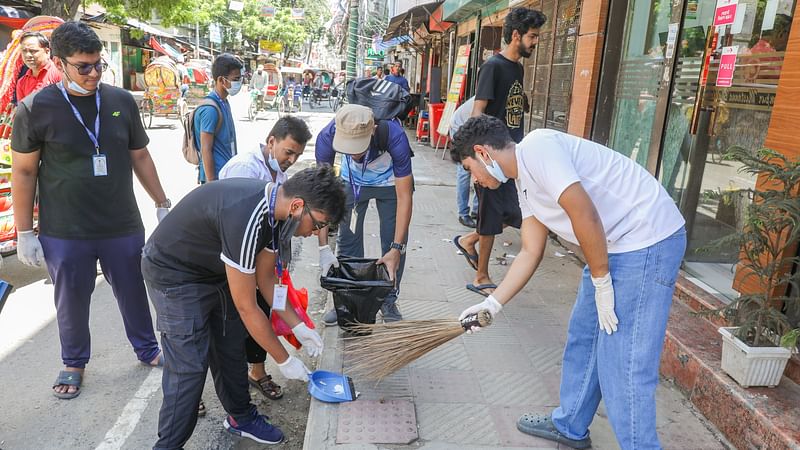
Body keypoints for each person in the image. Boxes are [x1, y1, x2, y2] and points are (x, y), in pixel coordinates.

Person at [453, 115, 687, 450]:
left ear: (482, 153)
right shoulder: (523, 182)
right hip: (612, 246)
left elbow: (584, 213)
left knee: (624, 362)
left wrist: (602, 281)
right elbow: (531, 251)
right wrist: (492, 304)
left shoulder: (538, 147)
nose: (473, 179)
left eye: (468, 168)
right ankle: (571, 424)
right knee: (585, 335)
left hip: (647, 240)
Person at [10, 21, 170, 400]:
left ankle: (146, 348)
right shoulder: (34, 109)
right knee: (71, 297)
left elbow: (140, 155)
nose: (94, 73)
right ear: (59, 62)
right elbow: (25, 170)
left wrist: (162, 203)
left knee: (132, 288)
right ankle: (74, 362)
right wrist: (25, 232)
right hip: (64, 229)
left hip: (121, 223)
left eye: (99, 64)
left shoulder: (121, 102)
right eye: (84, 66)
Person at [142, 166, 345, 448]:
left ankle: (241, 417)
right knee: (189, 366)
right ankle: (168, 445)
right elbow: (248, 306)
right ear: (299, 206)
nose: (315, 233)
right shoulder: (248, 216)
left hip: (214, 271)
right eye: (319, 225)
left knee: (230, 345)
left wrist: (299, 326)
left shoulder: (277, 215)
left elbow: (266, 280)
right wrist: (284, 360)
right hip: (174, 274)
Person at [453, 8, 545, 297]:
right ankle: (481, 276)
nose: (535, 42)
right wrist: (480, 159)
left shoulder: (517, 67)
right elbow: (478, 112)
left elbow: (511, 103)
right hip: (492, 158)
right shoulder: (493, 66)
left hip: (513, 155)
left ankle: (469, 240)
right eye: (532, 36)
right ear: (516, 35)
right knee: (491, 218)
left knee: (513, 213)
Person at [219, 116, 312, 400]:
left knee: (263, 308)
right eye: (288, 151)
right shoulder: (245, 168)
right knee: (236, 319)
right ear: (271, 141)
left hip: (260, 257)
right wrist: (286, 360)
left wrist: (299, 326)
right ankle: (222, 394)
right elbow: (232, 221)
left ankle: (257, 372)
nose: (292, 159)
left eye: (297, 155)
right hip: (233, 257)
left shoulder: (280, 174)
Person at [316, 105, 413, 324]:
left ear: (373, 130)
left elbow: (405, 197)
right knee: (348, 240)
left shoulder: (395, 136)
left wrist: (397, 248)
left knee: (393, 241)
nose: (352, 153)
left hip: (390, 185)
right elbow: (322, 194)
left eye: (357, 147)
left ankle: (388, 298)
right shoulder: (326, 137)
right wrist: (323, 248)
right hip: (352, 183)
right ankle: (347, 302)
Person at [194, 53, 243, 184]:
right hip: (216, 178)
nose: (239, 83)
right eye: (236, 79)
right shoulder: (210, 109)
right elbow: (206, 149)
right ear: (222, 80)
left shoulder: (224, 102)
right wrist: (212, 184)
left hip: (227, 173)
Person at [450, 96, 478, 228]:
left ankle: (477, 210)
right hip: (460, 128)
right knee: (464, 170)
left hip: (473, 128)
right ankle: (463, 213)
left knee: (481, 168)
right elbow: (474, 126)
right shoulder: (487, 97)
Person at [15, 31, 61, 102]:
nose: (28, 55)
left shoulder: (60, 73)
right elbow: (23, 111)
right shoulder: (21, 82)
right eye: (24, 51)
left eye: (33, 51)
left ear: (47, 52)